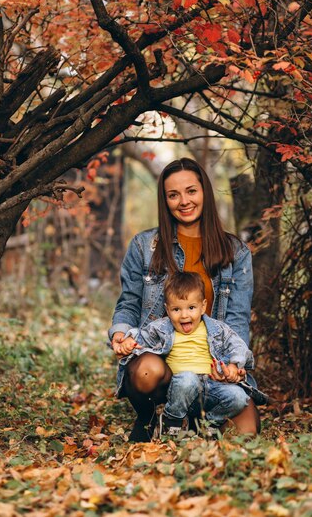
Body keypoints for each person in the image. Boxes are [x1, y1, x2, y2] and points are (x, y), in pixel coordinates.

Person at [110, 157, 259, 441]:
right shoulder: (144, 246)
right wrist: (119, 334)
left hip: (210, 369)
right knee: (146, 372)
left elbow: (237, 318)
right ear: (164, 200)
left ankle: (193, 420)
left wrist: (231, 366)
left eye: (191, 191)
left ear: (204, 192)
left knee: (247, 432)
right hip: (164, 365)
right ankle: (150, 415)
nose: (183, 201)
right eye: (173, 194)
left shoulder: (236, 252)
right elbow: (129, 302)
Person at [119, 271, 254, 436]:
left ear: (203, 306)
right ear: (167, 310)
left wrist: (234, 364)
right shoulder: (162, 328)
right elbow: (141, 335)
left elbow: (238, 345)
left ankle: (208, 423)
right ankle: (172, 419)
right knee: (187, 379)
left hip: (212, 386)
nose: (184, 315)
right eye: (176, 309)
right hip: (179, 387)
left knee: (239, 396)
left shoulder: (218, 329)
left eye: (191, 307)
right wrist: (128, 340)